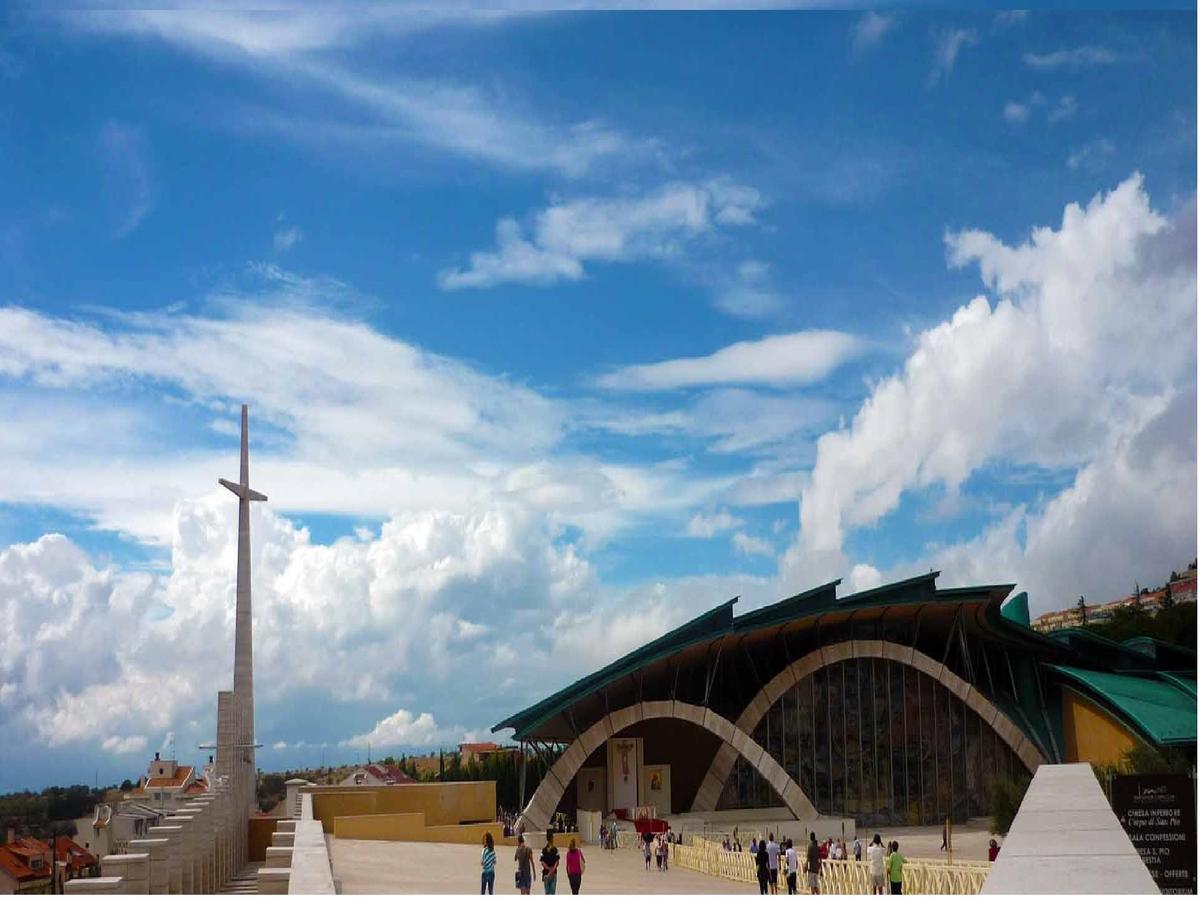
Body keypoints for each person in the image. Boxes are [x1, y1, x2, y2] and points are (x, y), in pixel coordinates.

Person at [541, 831, 560, 895]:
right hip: (553, 873)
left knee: (547, 892)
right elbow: (557, 862)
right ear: (552, 838)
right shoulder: (555, 850)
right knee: (552, 892)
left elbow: (542, 862)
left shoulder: (543, 850)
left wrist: (548, 869)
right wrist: (552, 870)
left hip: (546, 873)